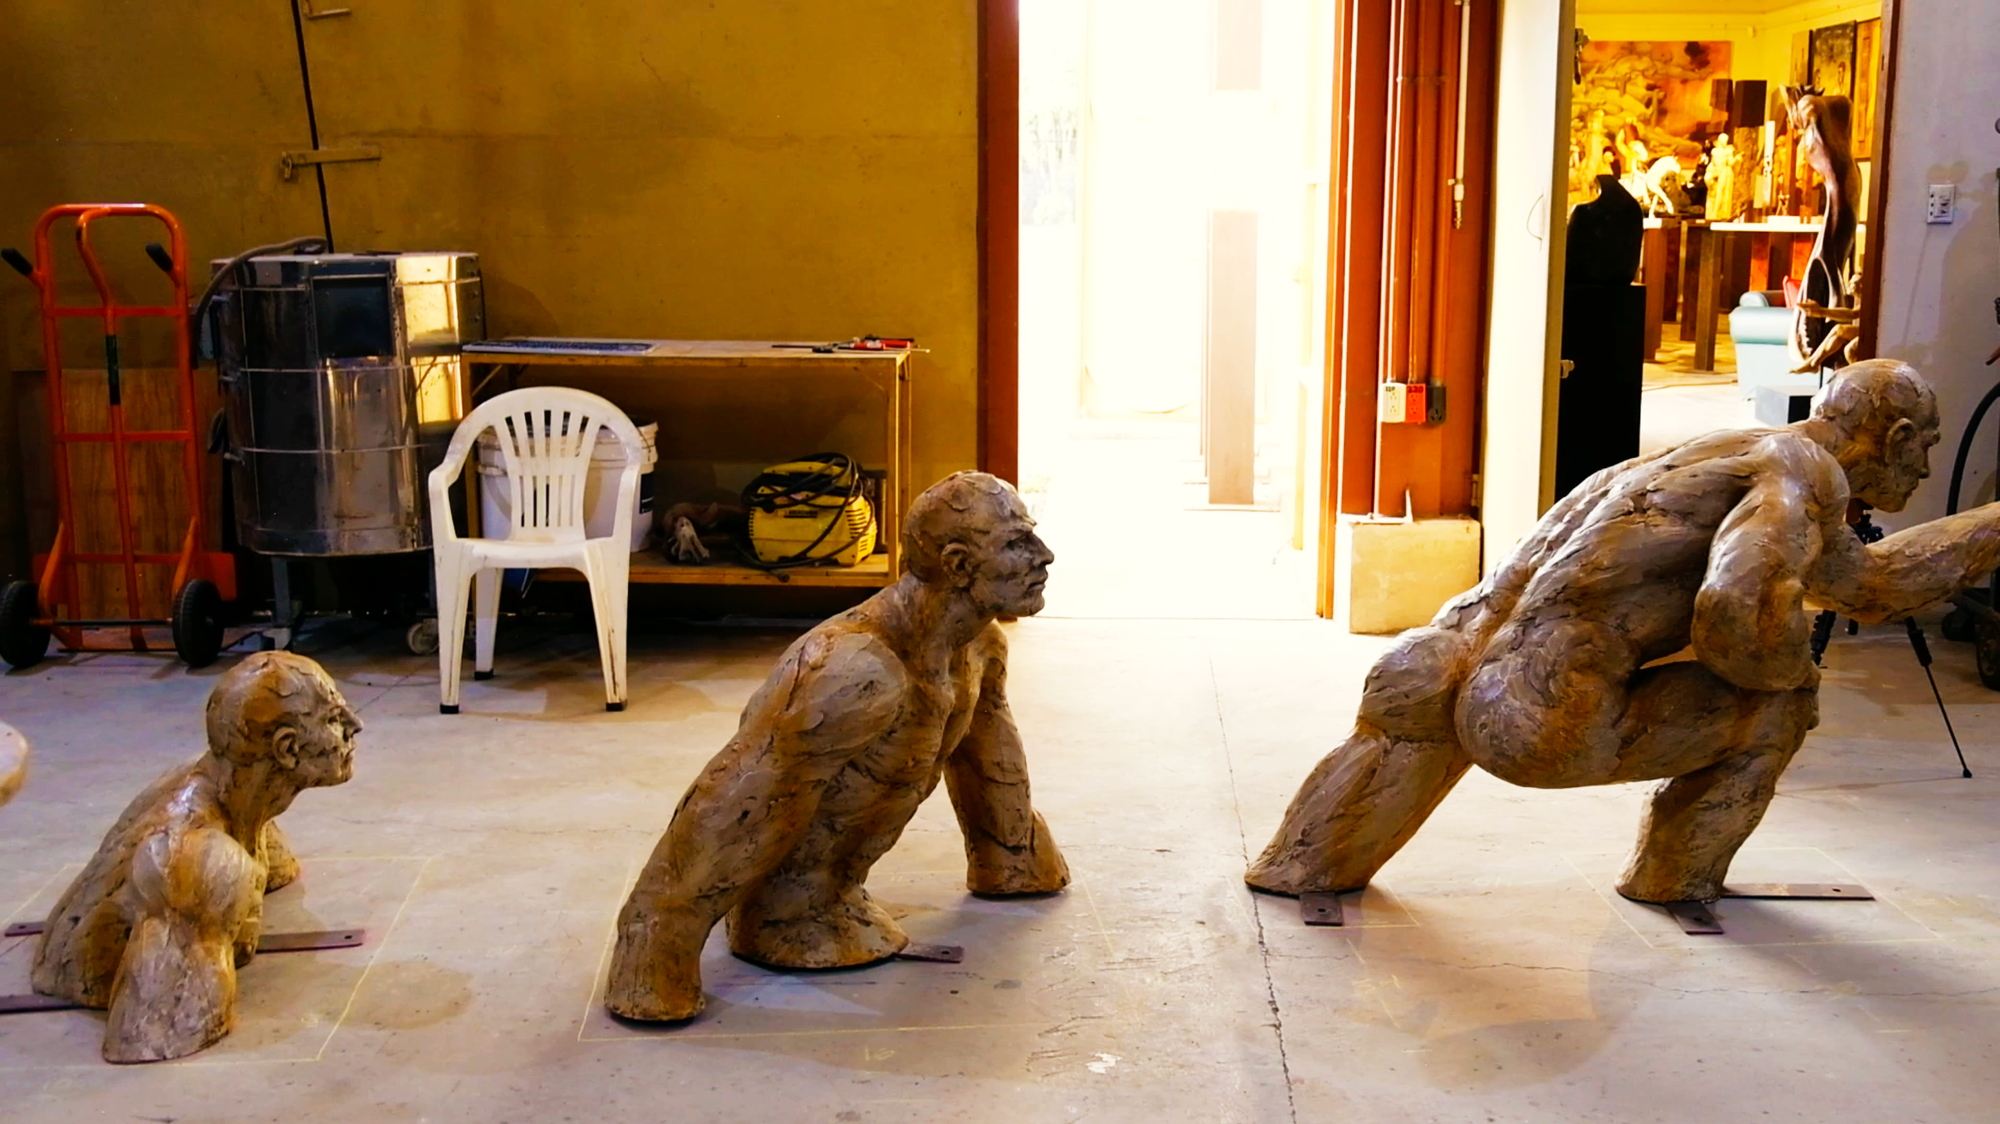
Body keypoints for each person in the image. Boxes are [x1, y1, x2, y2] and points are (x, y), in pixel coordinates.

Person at [1248, 360, 2000, 905]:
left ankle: (1305, 866)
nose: (1925, 466)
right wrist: (1789, 670)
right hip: (1540, 713)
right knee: (1778, 707)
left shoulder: (1722, 450)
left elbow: (1867, 585)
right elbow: (1737, 612)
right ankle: (1672, 878)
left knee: (1414, 714)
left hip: (1431, 663)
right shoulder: (1804, 474)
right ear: (1898, 436)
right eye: (1926, 446)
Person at [607, 472, 1069, 1022]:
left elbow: (987, 748)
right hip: (785, 921)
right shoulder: (855, 668)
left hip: (843, 907)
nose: (1044, 556)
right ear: (958, 565)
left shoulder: (976, 645)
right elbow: (735, 802)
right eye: (1017, 544)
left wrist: (1015, 858)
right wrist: (654, 948)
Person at [31, 652, 362, 1062]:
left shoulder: (233, 787)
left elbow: (271, 869)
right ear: (288, 749)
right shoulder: (201, 859)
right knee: (217, 885)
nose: (355, 725)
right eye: (333, 719)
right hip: (86, 972)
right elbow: (151, 1032)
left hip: (81, 939)